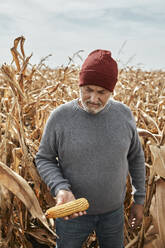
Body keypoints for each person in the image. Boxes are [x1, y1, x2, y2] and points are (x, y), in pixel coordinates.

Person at [35, 49, 146, 248]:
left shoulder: (124, 115)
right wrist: (60, 187)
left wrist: (139, 199)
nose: (93, 98)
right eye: (88, 89)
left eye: (101, 92)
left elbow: (136, 156)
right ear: (80, 85)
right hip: (71, 215)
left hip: (113, 214)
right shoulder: (60, 117)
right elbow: (44, 158)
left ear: (112, 91)